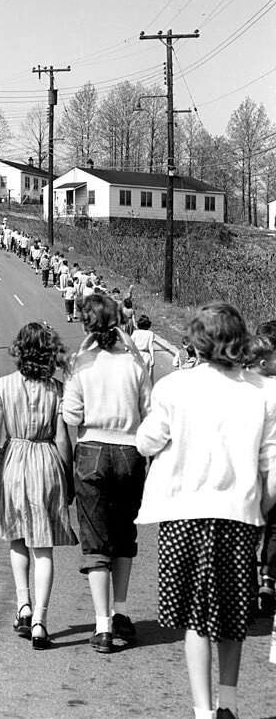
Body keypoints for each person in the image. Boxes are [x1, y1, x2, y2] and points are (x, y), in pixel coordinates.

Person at [136, 303, 276, 719]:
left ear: (197, 340)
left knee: (196, 617)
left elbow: (147, 442)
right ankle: (228, 702)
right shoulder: (260, 393)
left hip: (184, 513)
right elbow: (272, 466)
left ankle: (202, 710)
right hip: (238, 514)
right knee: (233, 612)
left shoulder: (174, 388)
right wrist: (260, 507)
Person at [0, 323, 77, 650]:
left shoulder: (1, 386)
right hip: (47, 461)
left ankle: (23, 606)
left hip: (14, 463)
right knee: (43, 548)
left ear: (19, 351)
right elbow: (62, 437)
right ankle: (40, 623)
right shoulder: (57, 389)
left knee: (16, 539)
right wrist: (68, 477)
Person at [63, 294, 152, 655]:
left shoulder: (80, 364)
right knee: (124, 533)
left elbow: (71, 414)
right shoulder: (134, 364)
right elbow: (148, 409)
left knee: (96, 542)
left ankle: (101, 626)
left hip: (92, 450)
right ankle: (122, 612)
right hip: (130, 451)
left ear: (86, 325)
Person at [252, 320, 276, 617]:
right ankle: (269, 577)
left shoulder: (248, 385)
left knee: (251, 525)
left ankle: (245, 583)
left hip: (252, 464)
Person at [130, 315, 156, 382]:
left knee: (135, 374)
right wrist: (153, 358)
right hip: (146, 355)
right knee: (146, 376)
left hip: (136, 354)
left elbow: (130, 343)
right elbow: (151, 346)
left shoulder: (136, 333)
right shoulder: (150, 333)